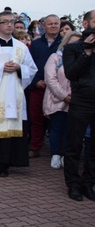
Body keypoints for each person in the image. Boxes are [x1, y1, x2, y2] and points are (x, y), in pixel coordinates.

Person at [0, 12, 37, 177]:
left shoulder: (21, 47)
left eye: (12, 22)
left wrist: (19, 69)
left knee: (10, 129)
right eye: (5, 22)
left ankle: (4, 165)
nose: (9, 25)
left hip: (13, 93)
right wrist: (0, 68)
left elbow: (32, 70)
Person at [63, 11, 95, 201]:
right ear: (85, 23)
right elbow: (71, 74)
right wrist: (86, 52)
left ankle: (89, 183)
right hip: (81, 101)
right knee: (74, 144)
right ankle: (73, 184)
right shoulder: (73, 48)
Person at [45, 31, 80, 169]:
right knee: (57, 127)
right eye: (72, 42)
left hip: (76, 99)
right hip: (57, 98)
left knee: (70, 129)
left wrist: (74, 96)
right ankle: (55, 154)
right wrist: (64, 95)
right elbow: (50, 78)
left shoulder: (83, 58)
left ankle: (66, 155)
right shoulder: (56, 57)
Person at [28, 14, 62, 158]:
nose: (53, 26)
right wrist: (36, 81)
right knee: (36, 118)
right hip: (38, 87)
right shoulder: (36, 44)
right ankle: (35, 147)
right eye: (50, 24)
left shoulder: (63, 44)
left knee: (57, 120)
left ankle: (57, 151)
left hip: (57, 88)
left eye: (56, 23)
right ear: (44, 26)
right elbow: (29, 65)